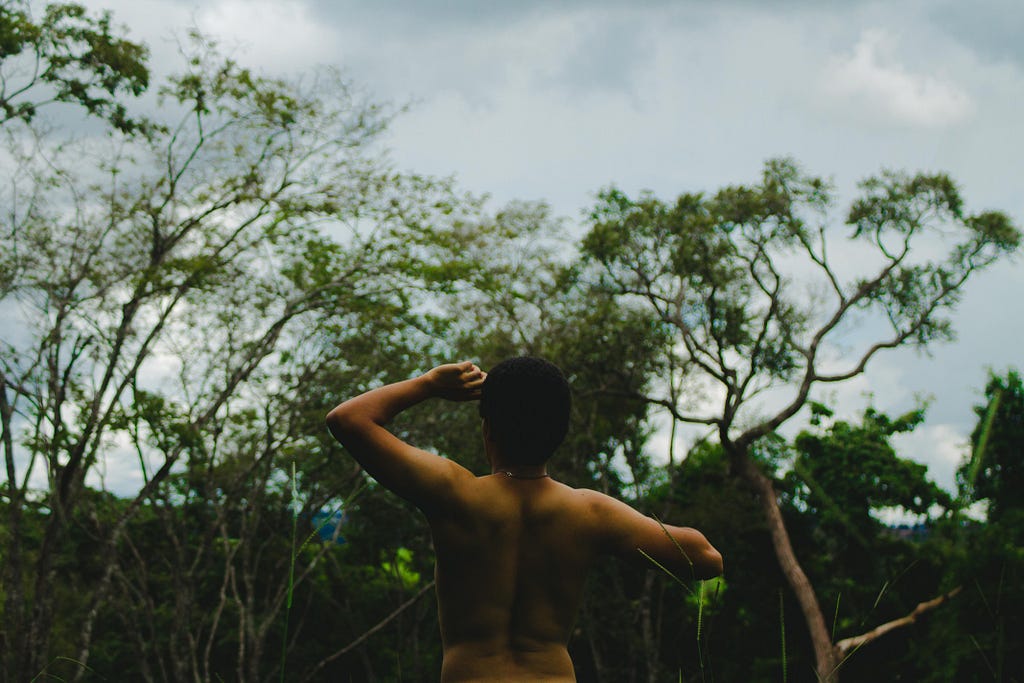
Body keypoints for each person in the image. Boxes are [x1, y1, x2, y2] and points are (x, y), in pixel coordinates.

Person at [326, 357, 723, 682]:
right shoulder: (590, 513)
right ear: (560, 433)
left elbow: (348, 419)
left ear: (489, 430)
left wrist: (429, 384)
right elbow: (707, 558)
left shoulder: (455, 494)